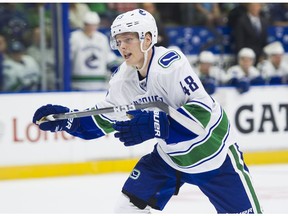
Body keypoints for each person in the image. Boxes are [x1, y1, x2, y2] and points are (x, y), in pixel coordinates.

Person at [32, 9, 263, 213]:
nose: (122, 46)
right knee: (127, 208)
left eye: (128, 39)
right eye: (118, 41)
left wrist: (157, 124)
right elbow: (104, 119)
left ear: (148, 39)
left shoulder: (171, 64)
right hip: (170, 160)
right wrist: (68, 121)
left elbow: (200, 116)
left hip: (215, 156)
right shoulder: (123, 79)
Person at [70, 11, 120, 91]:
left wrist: (115, 67)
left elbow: (108, 56)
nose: (91, 28)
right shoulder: (74, 37)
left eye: (94, 25)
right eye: (88, 25)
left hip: (99, 83)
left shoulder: (102, 38)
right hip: (78, 83)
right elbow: (69, 58)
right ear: (84, 24)